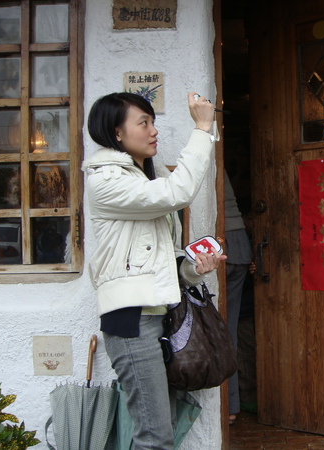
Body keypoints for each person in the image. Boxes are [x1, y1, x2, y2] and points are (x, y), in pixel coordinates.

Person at [82, 91, 226, 449]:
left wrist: (194, 269)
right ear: (117, 133)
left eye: (153, 122)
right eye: (143, 123)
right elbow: (179, 192)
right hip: (132, 321)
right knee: (156, 436)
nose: (153, 130)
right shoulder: (106, 181)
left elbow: (161, 258)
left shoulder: (147, 174)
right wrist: (203, 128)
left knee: (157, 431)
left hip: (159, 315)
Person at [223, 171, 254, 424]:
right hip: (238, 243)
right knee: (228, 330)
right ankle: (231, 407)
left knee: (220, 332)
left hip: (221, 245)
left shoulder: (201, 156)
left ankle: (228, 406)